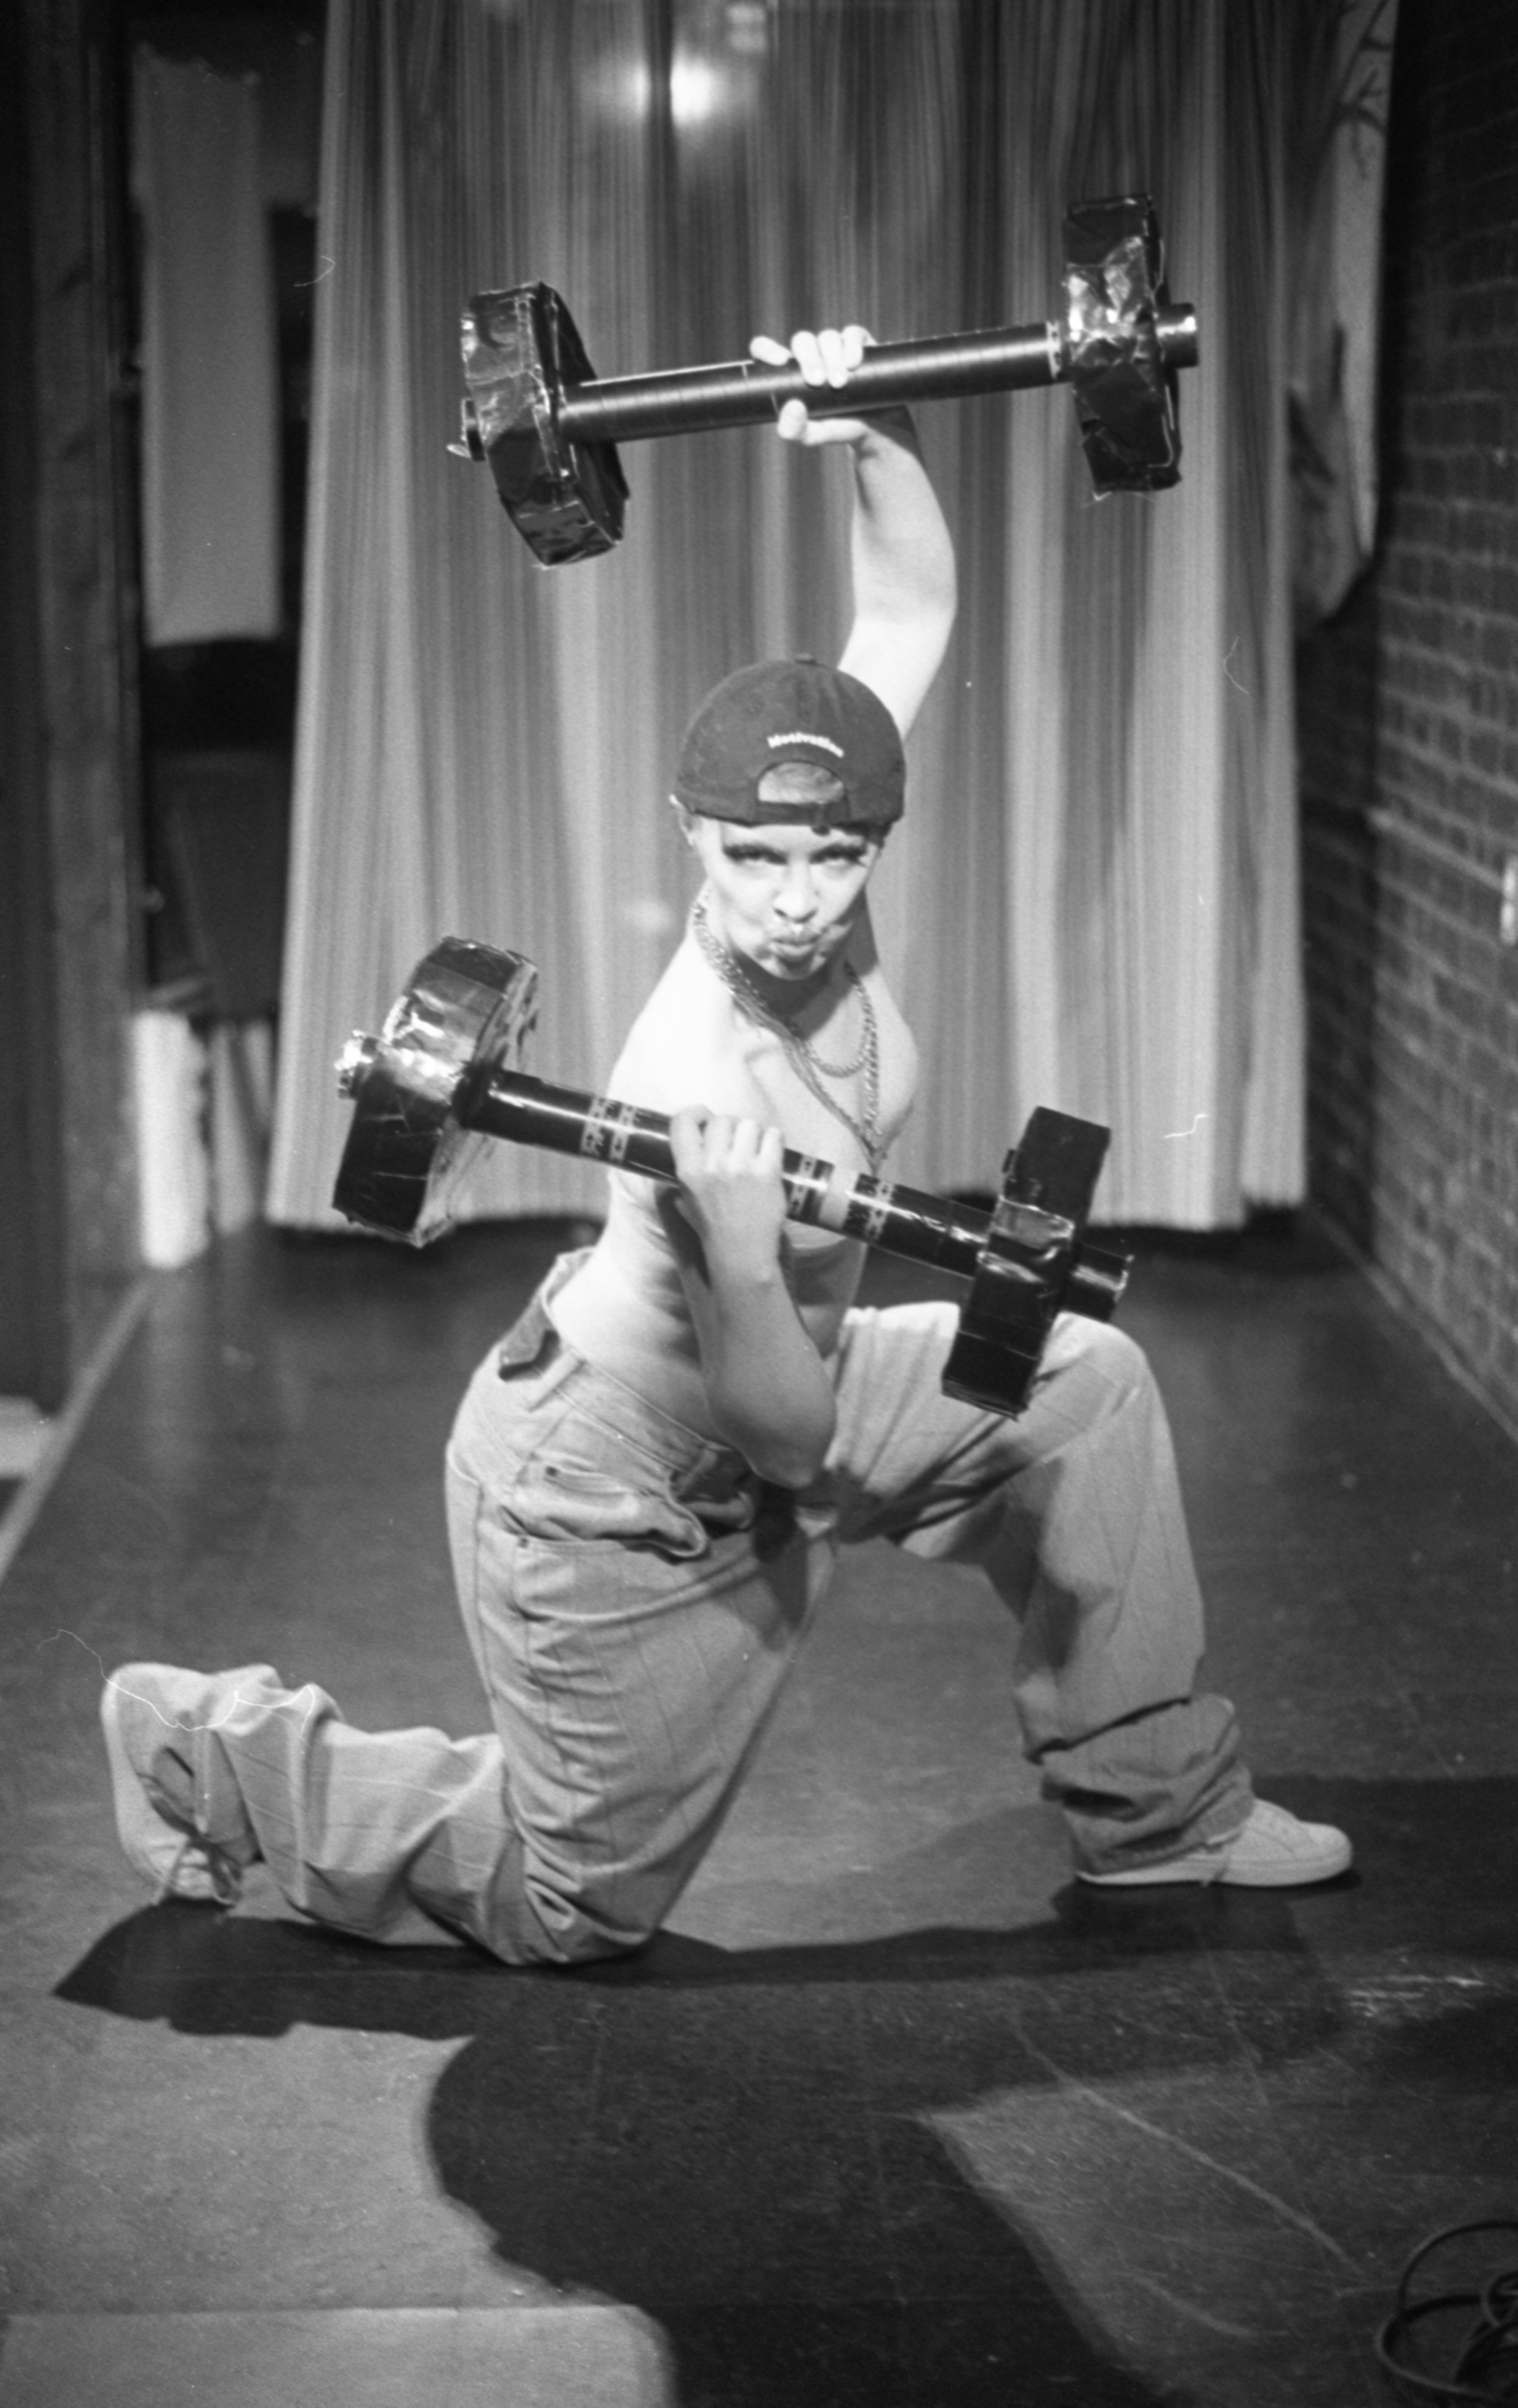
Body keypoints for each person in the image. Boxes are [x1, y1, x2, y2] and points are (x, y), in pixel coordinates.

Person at [102, 326, 1351, 1961]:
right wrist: (747, 1250)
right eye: (756, 857)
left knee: (1082, 1386)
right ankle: (212, 1749)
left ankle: (1160, 1818)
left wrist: (866, 418)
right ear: (691, 833)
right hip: (619, 1478)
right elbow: (787, 1443)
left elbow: (909, 613)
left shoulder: (826, 872)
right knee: (575, 1906)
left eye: (836, 855)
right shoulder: (694, 1069)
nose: (798, 899)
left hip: (784, 1381)